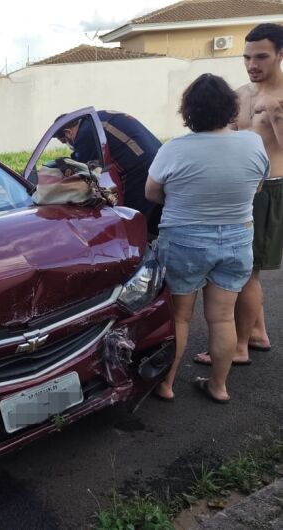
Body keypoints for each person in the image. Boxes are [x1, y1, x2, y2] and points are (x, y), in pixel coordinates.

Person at [145, 74, 268, 403]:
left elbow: (152, 193)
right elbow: (256, 187)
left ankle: (166, 384)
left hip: (184, 240)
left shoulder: (174, 148)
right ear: (230, 108)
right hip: (236, 238)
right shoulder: (253, 143)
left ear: (188, 112)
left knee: (180, 317)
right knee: (223, 317)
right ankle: (218, 386)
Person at [194, 23, 283, 368]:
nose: (252, 64)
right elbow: (225, 138)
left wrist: (275, 113)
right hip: (238, 189)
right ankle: (257, 333)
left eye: (261, 56)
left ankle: (240, 345)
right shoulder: (240, 94)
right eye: (247, 57)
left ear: (279, 54)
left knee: (247, 273)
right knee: (246, 270)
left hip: (269, 190)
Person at [56, 111, 163, 237]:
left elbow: (83, 172)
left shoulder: (85, 133)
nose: (70, 145)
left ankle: (138, 249)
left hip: (140, 170)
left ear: (68, 132)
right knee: (156, 212)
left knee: (130, 218)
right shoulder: (96, 118)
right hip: (160, 161)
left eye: (65, 142)